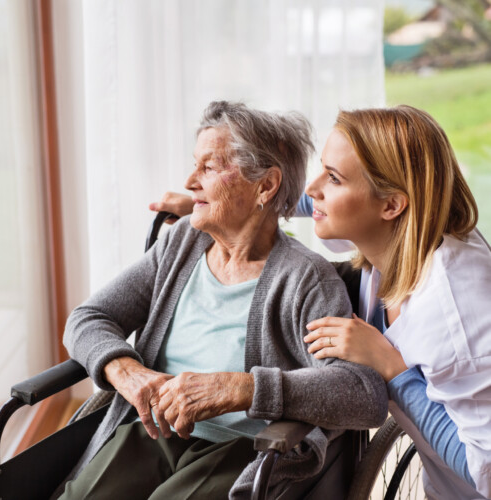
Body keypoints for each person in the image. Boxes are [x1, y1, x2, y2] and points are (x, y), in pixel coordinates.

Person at [153, 105, 491, 500]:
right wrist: (228, 200)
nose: (313, 189)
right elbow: (317, 202)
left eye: (332, 177)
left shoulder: (455, 310)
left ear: (391, 205)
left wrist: (390, 368)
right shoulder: (396, 235)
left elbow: (483, 470)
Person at [58, 101, 388, 500]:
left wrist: (243, 388)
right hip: (152, 434)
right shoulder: (182, 244)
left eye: (209, 168)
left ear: (265, 186)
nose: (190, 180)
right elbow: (89, 317)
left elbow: (362, 393)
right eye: (195, 164)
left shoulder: (305, 278)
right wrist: (130, 374)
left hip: (244, 448)